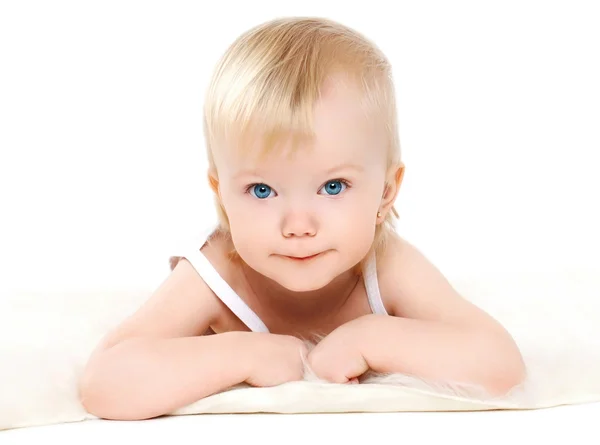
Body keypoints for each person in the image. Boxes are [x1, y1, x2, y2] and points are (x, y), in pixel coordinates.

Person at [78, 16, 526, 421]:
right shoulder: (219, 271)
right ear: (221, 196)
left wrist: (372, 337)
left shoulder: (385, 262)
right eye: (262, 190)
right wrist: (242, 353)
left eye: (333, 187)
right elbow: (104, 384)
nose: (297, 225)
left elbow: (501, 364)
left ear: (385, 192)